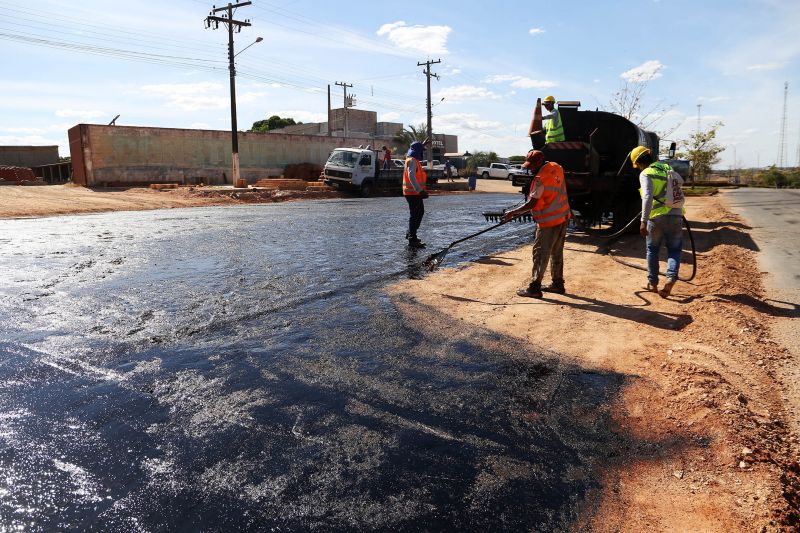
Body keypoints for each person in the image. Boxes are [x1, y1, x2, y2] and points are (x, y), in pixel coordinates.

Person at [503, 150, 571, 298]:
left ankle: (534, 287)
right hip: (563, 217)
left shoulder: (541, 179)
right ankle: (558, 284)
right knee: (556, 252)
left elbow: (532, 203)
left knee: (540, 254)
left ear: (540, 162)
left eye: (532, 165)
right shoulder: (557, 168)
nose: (530, 168)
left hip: (549, 222)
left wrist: (512, 212)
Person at [630, 146, 685, 297]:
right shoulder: (667, 168)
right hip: (676, 215)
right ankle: (671, 278)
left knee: (652, 250)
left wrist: (643, 220)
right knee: (674, 250)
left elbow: (647, 196)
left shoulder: (646, 173)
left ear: (639, 163)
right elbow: (678, 186)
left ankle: (653, 283)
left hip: (656, 216)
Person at [403, 139, 430, 248]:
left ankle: (411, 234)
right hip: (413, 193)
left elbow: (416, 147)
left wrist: (422, 144)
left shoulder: (410, 159)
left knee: (416, 213)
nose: (422, 153)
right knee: (416, 214)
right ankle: (412, 238)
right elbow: (411, 176)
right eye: (422, 150)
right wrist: (419, 190)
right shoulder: (413, 161)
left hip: (412, 192)